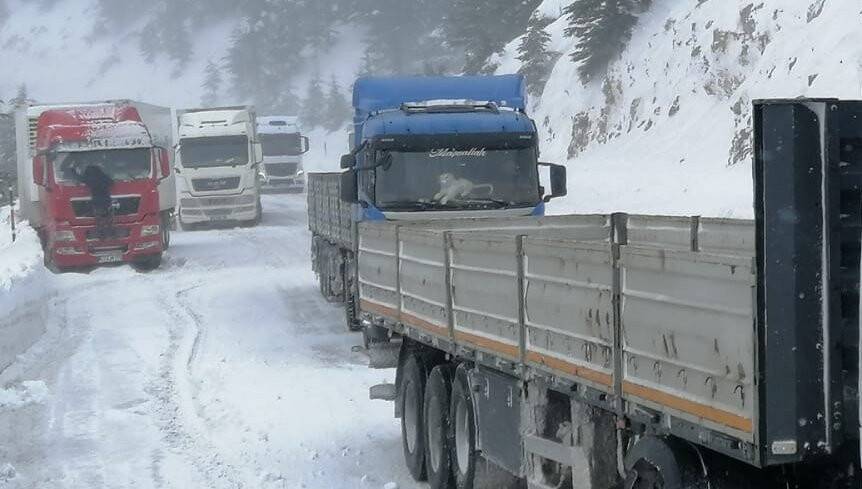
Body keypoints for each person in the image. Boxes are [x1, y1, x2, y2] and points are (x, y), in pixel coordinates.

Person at [78, 165, 114, 239]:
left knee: (99, 220)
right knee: (109, 219)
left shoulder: (91, 179)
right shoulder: (104, 177)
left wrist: (72, 171)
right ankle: (112, 233)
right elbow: (111, 182)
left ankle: (101, 235)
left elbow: (80, 179)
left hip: (97, 203)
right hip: (107, 201)